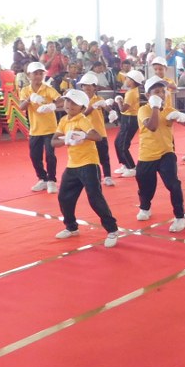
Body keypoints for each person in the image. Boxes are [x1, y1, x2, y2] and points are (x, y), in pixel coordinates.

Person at [52, 88, 120, 248]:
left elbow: (97, 136)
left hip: (88, 164)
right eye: (67, 101)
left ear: (82, 107)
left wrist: (83, 135)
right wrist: (66, 140)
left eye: (74, 103)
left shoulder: (82, 120)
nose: (69, 105)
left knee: (95, 198)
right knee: (64, 197)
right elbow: (53, 142)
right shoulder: (64, 120)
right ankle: (71, 227)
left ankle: (112, 230)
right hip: (72, 165)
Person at [136, 78, 185, 232]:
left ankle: (180, 217)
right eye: (157, 92)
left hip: (166, 153)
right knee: (146, 187)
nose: (161, 94)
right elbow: (152, 126)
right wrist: (155, 107)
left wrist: (183, 117)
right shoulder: (144, 110)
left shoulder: (168, 109)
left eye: (163, 91)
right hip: (147, 154)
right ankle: (145, 208)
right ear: (148, 95)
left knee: (173, 184)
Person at [11, 61, 61, 193]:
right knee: (34, 156)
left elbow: (61, 100)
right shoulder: (25, 90)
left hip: (50, 128)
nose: (38, 76)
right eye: (35, 74)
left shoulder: (48, 89)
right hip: (35, 129)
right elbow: (21, 107)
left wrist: (52, 106)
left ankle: (51, 180)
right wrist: (30, 99)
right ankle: (42, 178)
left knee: (50, 155)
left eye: (40, 73)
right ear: (29, 75)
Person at [78, 73, 115, 186]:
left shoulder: (99, 98)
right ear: (82, 87)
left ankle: (107, 176)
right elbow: (82, 114)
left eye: (90, 85)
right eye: (85, 85)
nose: (87, 88)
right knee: (89, 157)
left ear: (95, 87)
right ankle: (93, 178)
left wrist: (111, 111)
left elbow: (105, 106)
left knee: (104, 156)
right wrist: (93, 106)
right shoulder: (80, 101)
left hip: (100, 132)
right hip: (87, 134)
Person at [112, 69, 144, 178]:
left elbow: (123, 109)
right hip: (128, 118)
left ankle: (131, 167)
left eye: (127, 78)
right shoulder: (133, 91)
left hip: (130, 119)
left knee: (122, 145)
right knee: (118, 142)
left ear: (133, 81)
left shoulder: (131, 93)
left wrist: (118, 100)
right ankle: (125, 164)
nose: (125, 80)